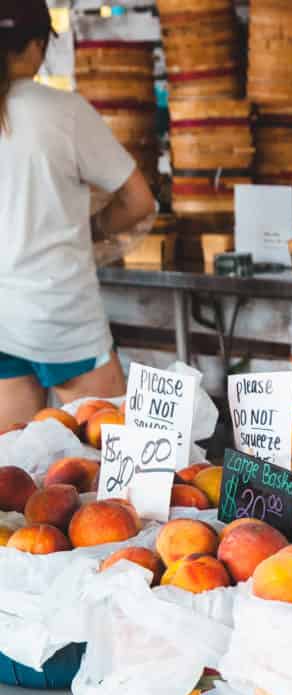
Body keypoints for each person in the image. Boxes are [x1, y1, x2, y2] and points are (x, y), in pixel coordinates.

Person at [0, 0, 156, 430]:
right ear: (36, 45)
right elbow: (138, 201)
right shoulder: (61, 112)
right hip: (59, 312)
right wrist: (94, 227)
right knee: (106, 458)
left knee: (12, 468)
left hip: (3, 315)